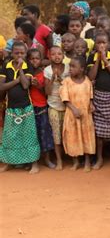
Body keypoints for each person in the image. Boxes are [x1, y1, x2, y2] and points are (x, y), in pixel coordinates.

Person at [0, 42, 40, 173]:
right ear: (12, 53)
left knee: (29, 135)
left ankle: (34, 164)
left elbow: (25, 85)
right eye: (16, 53)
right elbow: (1, 87)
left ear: (25, 54)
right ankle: (8, 163)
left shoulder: (28, 66)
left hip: (26, 107)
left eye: (22, 53)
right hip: (10, 108)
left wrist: (21, 69)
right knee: (10, 136)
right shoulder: (6, 66)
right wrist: (16, 81)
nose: (19, 55)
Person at [87, 32, 110, 169]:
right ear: (95, 44)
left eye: (104, 43)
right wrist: (98, 60)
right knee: (98, 131)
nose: (101, 45)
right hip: (98, 97)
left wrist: (106, 60)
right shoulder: (91, 57)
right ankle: (99, 158)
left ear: (109, 44)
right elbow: (91, 76)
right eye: (98, 43)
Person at [60, 56, 95, 172]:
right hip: (72, 115)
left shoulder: (87, 81)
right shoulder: (66, 82)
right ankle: (75, 162)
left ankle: (87, 162)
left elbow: (90, 96)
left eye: (73, 66)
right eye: (70, 66)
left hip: (85, 115)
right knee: (72, 137)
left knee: (86, 137)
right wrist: (73, 109)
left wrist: (91, 104)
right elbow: (65, 98)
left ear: (82, 69)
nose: (70, 68)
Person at [27, 48, 55, 169]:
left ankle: (47, 159)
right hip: (28, 108)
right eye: (32, 59)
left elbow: (47, 93)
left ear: (41, 60)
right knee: (31, 135)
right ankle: (32, 161)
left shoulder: (44, 73)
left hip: (42, 107)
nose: (34, 61)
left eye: (37, 58)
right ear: (28, 60)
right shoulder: (26, 73)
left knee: (45, 134)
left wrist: (38, 86)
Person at [44, 46, 70, 170]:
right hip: (53, 106)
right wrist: (52, 79)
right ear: (49, 56)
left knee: (69, 133)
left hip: (68, 106)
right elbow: (47, 91)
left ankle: (72, 158)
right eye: (53, 54)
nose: (57, 56)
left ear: (63, 55)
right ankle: (59, 160)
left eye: (59, 54)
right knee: (56, 135)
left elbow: (71, 87)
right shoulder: (47, 70)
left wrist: (61, 80)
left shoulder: (69, 68)